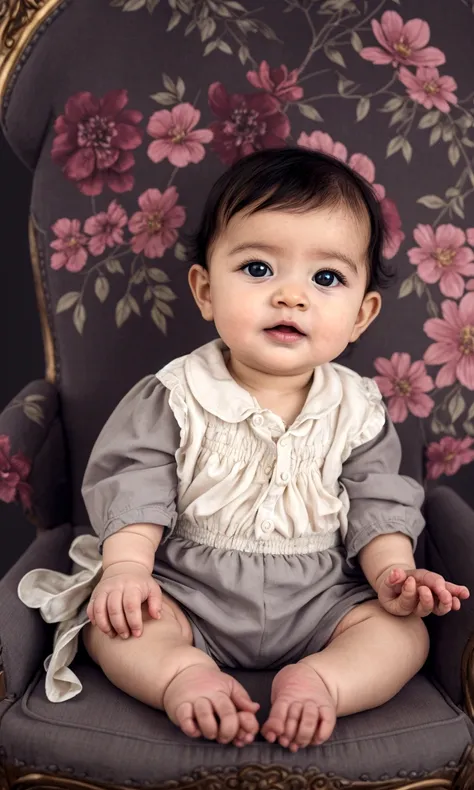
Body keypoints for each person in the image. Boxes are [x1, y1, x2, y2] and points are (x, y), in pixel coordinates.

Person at [81, 147, 469, 753]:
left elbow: (377, 501)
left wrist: (394, 573)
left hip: (322, 597)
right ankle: (184, 676)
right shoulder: (175, 393)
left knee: (402, 634)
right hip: (189, 590)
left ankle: (320, 680)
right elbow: (133, 481)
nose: (291, 296)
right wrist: (128, 570)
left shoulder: (358, 407)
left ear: (362, 314)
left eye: (326, 278)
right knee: (116, 627)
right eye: (258, 269)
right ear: (206, 290)